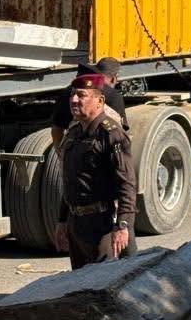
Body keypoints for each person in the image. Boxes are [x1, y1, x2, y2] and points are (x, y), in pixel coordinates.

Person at [53, 73, 138, 270]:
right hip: (76, 224)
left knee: (103, 281)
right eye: (73, 95)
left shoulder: (111, 134)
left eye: (81, 95)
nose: (74, 100)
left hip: (101, 224)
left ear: (100, 101)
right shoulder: (73, 133)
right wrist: (62, 220)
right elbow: (71, 179)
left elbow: (127, 183)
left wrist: (123, 225)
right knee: (80, 282)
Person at [49, 56, 126, 147]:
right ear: (114, 78)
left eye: (81, 95)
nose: (74, 99)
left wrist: (61, 153)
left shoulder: (68, 92)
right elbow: (120, 136)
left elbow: (57, 129)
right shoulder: (115, 97)